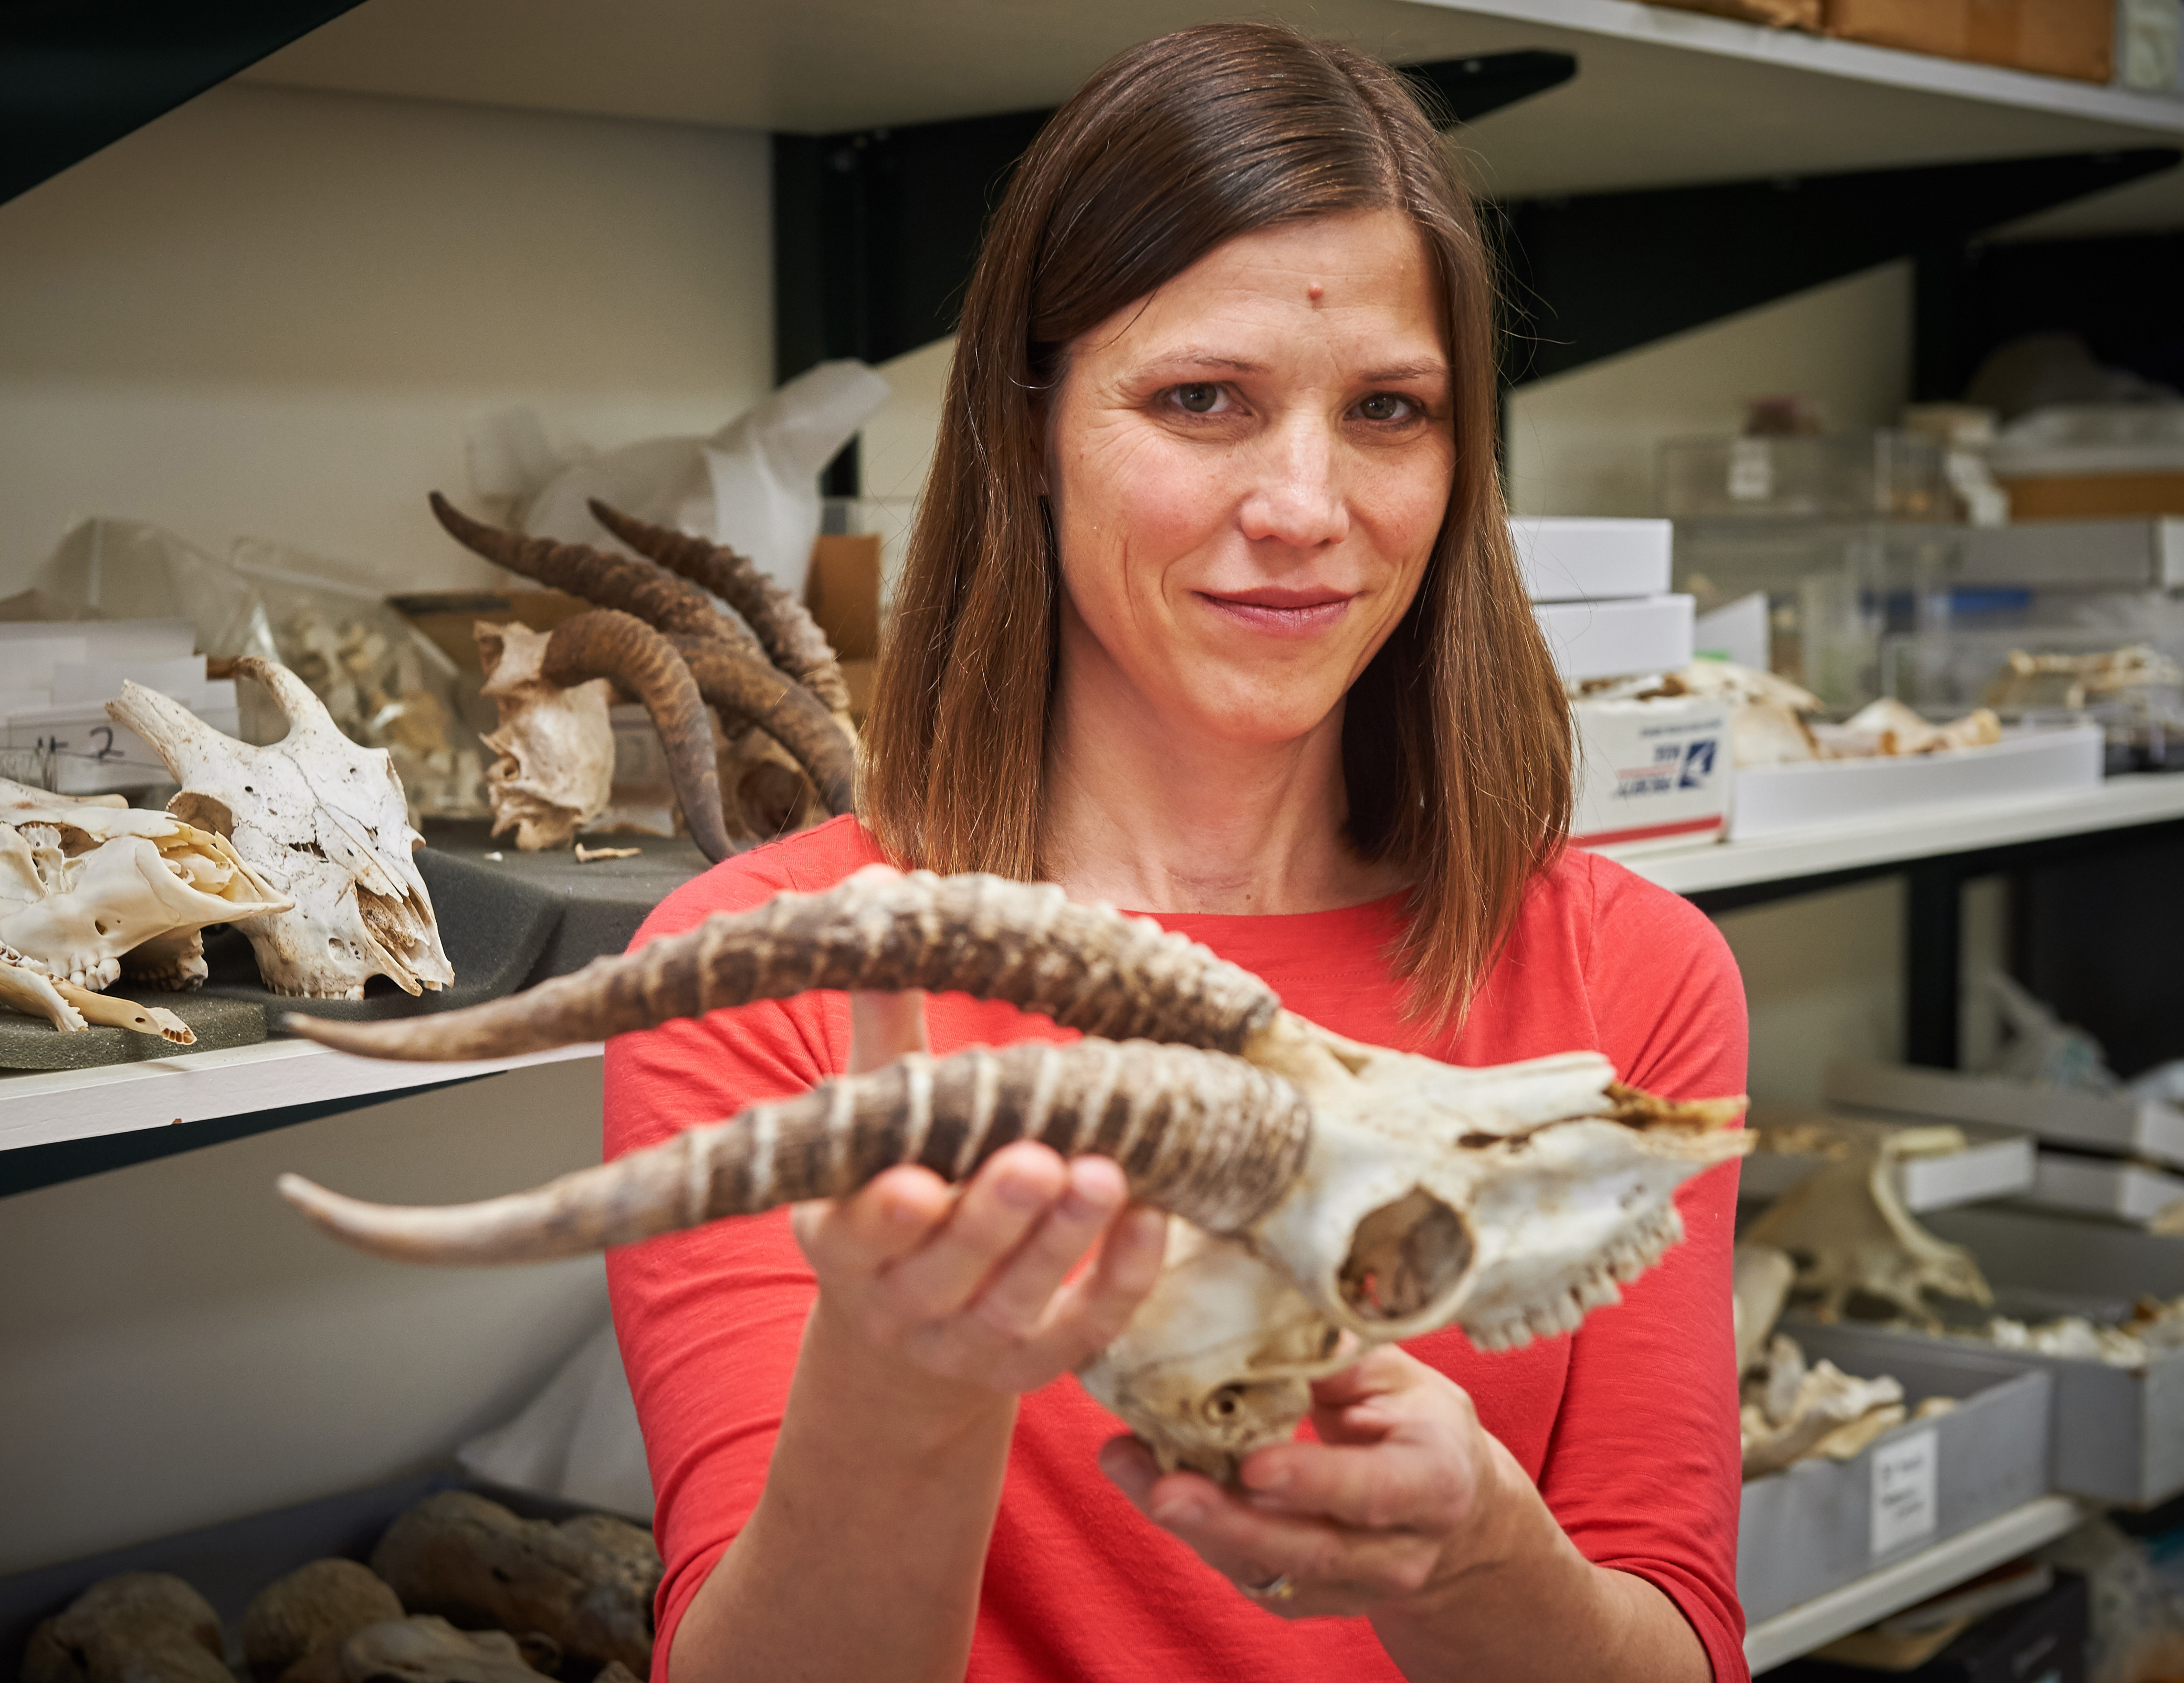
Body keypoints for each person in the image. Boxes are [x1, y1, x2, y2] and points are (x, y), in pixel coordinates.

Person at [604, 22, 1747, 1683]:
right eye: (1201, 399)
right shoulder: (773, 978)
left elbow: (1674, 1648)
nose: (1304, 502)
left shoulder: (1624, 979)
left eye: (1388, 411)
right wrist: (902, 1373)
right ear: (1033, 430)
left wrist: (1478, 1560)